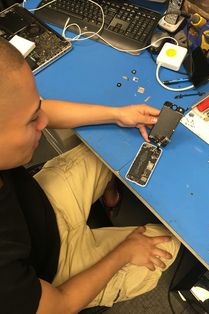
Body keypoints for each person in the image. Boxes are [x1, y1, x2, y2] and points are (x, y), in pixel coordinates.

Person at [0, 37, 180, 314]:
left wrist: (117, 114)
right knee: (169, 242)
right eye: (31, 121)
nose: (44, 123)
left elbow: (38, 109)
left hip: (39, 209)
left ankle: (108, 199)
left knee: (112, 147)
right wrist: (125, 251)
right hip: (52, 272)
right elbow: (59, 306)